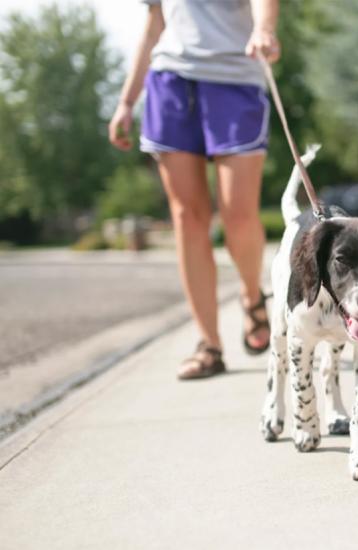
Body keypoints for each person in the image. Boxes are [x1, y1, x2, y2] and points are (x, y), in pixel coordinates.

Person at [109, 0, 281, 380]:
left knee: (238, 214)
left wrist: (265, 28)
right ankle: (209, 344)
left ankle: (252, 297)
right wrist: (125, 101)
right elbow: (154, 24)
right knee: (187, 217)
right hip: (170, 81)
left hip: (234, 79)